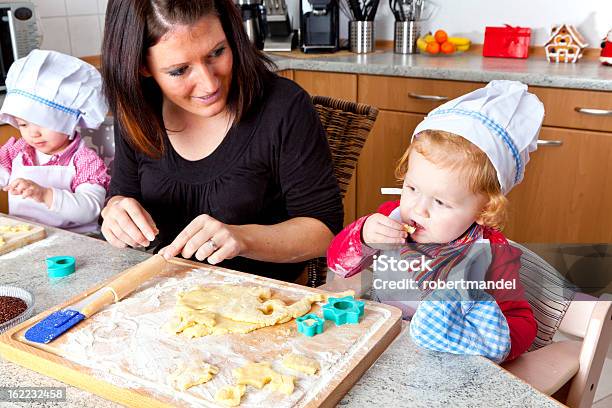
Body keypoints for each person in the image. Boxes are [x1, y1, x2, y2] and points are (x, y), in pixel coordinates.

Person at [99, 0, 343, 281]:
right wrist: (116, 211)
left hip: (266, 300)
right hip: (161, 292)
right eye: (179, 70)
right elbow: (122, 193)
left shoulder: (284, 106)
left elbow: (325, 231)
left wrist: (242, 238)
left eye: (217, 52)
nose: (209, 84)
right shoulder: (138, 109)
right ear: (142, 66)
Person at [327, 80, 543, 363]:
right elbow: (338, 263)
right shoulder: (391, 216)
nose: (418, 209)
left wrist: (480, 338)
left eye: (440, 202)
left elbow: (523, 325)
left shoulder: (492, 253)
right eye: (412, 188)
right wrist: (363, 236)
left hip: (442, 363)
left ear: (483, 209)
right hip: (380, 347)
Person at [0, 50, 110, 233]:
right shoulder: (16, 151)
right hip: (27, 234)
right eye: (23, 124)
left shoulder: (84, 161)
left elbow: (90, 209)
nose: (33, 133)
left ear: (68, 121)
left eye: (44, 123)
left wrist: (44, 194)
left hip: (79, 240)